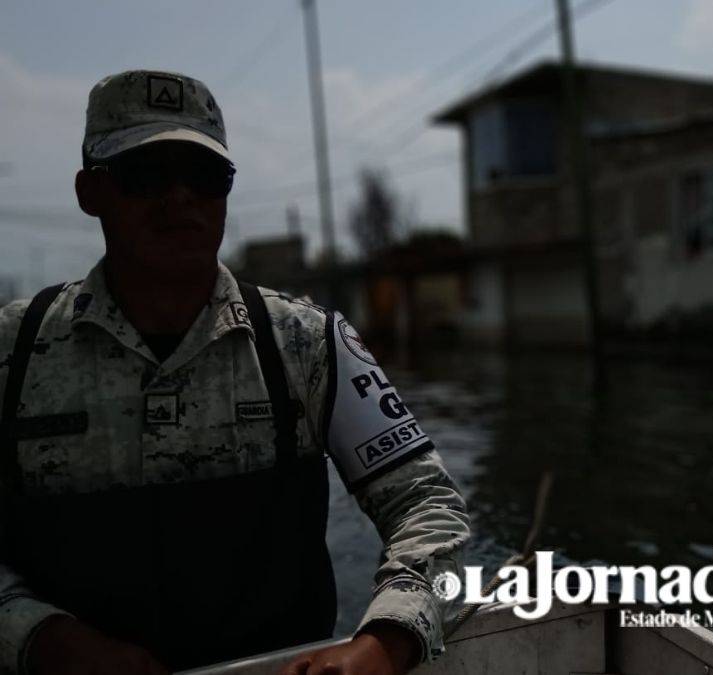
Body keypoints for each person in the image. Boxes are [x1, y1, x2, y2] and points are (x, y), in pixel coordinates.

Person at [0, 70, 470, 674]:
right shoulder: (14, 352)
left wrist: (384, 642)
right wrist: (38, 637)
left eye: (205, 176)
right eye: (145, 175)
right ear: (89, 192)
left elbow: (429, 506)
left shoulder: (308, 342)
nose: (180, 199)